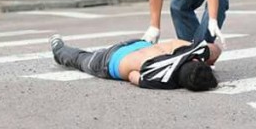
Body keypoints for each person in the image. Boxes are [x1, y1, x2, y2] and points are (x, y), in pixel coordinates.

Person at [49, 34, 221, 91]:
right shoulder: (161, 78)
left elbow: (215, 49)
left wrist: (207, 58)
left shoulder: (188, 50)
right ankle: (58, 49)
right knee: (80, 59)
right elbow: (132, 75)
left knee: (83, 59)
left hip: (139, 42)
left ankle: (59, 49)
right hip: (111, 60)